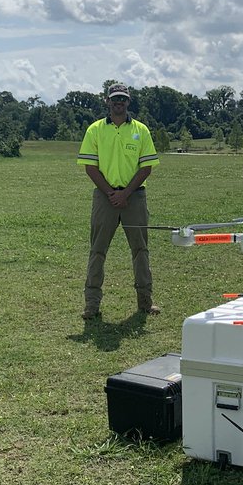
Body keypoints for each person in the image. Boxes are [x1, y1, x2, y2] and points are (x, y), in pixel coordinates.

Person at [77, 83, 161, 320]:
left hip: (135, 197)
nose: (119, 102)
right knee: (97, 251)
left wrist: (125, 194)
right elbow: (90, 167)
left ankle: (145, 302)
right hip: (104, 197)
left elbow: (146, 167)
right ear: (107, 101)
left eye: (123, 99)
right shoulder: (95, 130)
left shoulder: (141, 130)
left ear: (128, 101)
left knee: (140, 250)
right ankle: (91, 305)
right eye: (115, 99)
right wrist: (111, 193)